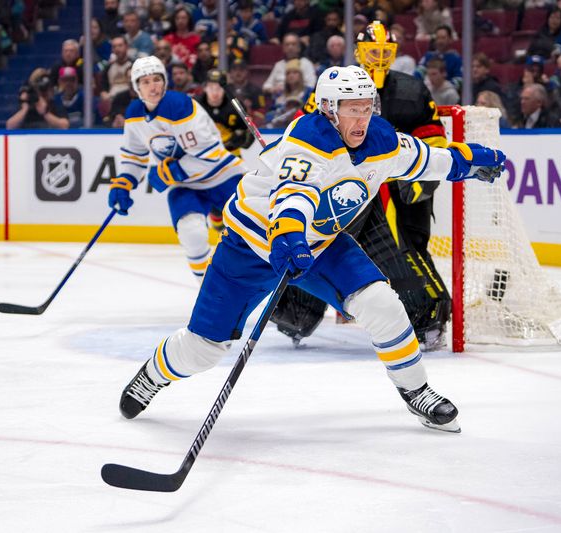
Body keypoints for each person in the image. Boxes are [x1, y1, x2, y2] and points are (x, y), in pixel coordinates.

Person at [116, 65, 506, 433]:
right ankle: (153, 375)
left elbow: (424, 159)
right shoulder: (309, 141)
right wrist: (287, 236)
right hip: (251, 245)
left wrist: (468, 162)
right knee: (203, 350)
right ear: (328, 110)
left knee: (382, 303)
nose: (361, 120)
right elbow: (293, 197)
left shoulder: (380, 139)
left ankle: (417, 391)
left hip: (319, 244)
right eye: (351, 111)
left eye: (367, 108)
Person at [279, 20, 454, 351]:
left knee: (408, 250)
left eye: (385, 51)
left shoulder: (412, 89)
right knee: (320, 247)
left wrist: (418, 180)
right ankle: (296, 313)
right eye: (371, 50)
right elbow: (307, 130)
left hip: (398, 192)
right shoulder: (335, 87)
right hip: (346, 189)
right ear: (359, 52)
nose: (378, 57)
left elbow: (432, 138)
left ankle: (424, 317)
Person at [107, 56, 247, 279]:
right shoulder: (134, 114)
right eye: (145, 82)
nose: (152, 86)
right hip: (186, 186)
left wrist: (171, 171)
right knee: (191, 232)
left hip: (223, 175)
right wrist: (124, 182)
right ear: (136, 87)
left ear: (164, 81)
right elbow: (134, 156)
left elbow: (208, 155)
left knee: (257, 230)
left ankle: (289, 290)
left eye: (156, 79)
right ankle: (207, 289)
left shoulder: (179, 106)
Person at [195, 69, 254, 157]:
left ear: (226, 88)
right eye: (211, 87)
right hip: (203, 154)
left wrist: (248, 131)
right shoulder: (195, 105)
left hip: (231, 154)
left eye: (219, 88)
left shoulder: (236, 106)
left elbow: (247, 142)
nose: (215, 92)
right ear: (205, 88)